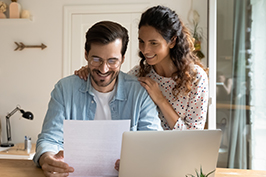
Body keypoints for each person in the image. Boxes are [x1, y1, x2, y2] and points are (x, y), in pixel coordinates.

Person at [33, 21, 162, 177]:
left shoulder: (140, 93)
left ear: (122, 58)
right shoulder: (65, 89)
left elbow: (153, 144)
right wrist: (47, 158)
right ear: (86, 55)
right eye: (96, 59)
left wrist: (137, 161)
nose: (103, 69)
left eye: (112, 61)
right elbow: (49, 138)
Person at [75, 5, 209, 131]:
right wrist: (93, 69)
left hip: (180, 154)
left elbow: (193, 136)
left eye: (153, 43)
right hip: (145, 151)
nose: (145, 50)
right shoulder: (139, 74)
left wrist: (160, 99)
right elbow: (110, 80)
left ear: (172, 41)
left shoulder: (196, 78)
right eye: (141, 41)